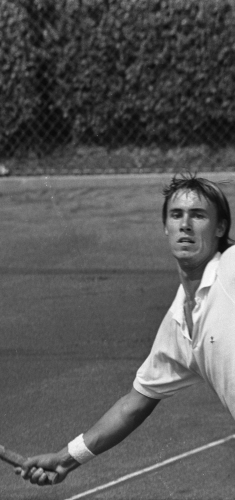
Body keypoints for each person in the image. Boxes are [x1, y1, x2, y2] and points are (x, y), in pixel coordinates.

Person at [17, 172, 235, 486]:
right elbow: (132, 406)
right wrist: (66, 458)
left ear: (220, 228)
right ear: (166, 227)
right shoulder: (177, 325)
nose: (185, 224)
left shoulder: (229, 268)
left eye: (198, 215)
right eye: (176, 215)